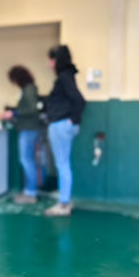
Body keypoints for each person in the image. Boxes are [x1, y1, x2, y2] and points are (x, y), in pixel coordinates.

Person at [43, 45, 86, 217]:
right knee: (64, 164)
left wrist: (72, 119)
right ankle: (64, 200)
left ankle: (63, 203)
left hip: (61, 125)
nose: (48, 63)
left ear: (56, 60)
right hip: (63, 124)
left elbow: (80, 100)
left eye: (50, 59)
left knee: (62, 164)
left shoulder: (64, 77)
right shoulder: (67, 76)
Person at [0, 65, 42, 204]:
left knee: (26, 160)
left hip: (28, 129)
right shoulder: (28, 89)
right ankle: (29, 191)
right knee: (28, 159)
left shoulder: (28, 89)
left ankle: (30, 193)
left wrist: (14, 113)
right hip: (28, 128)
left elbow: (31, 109)